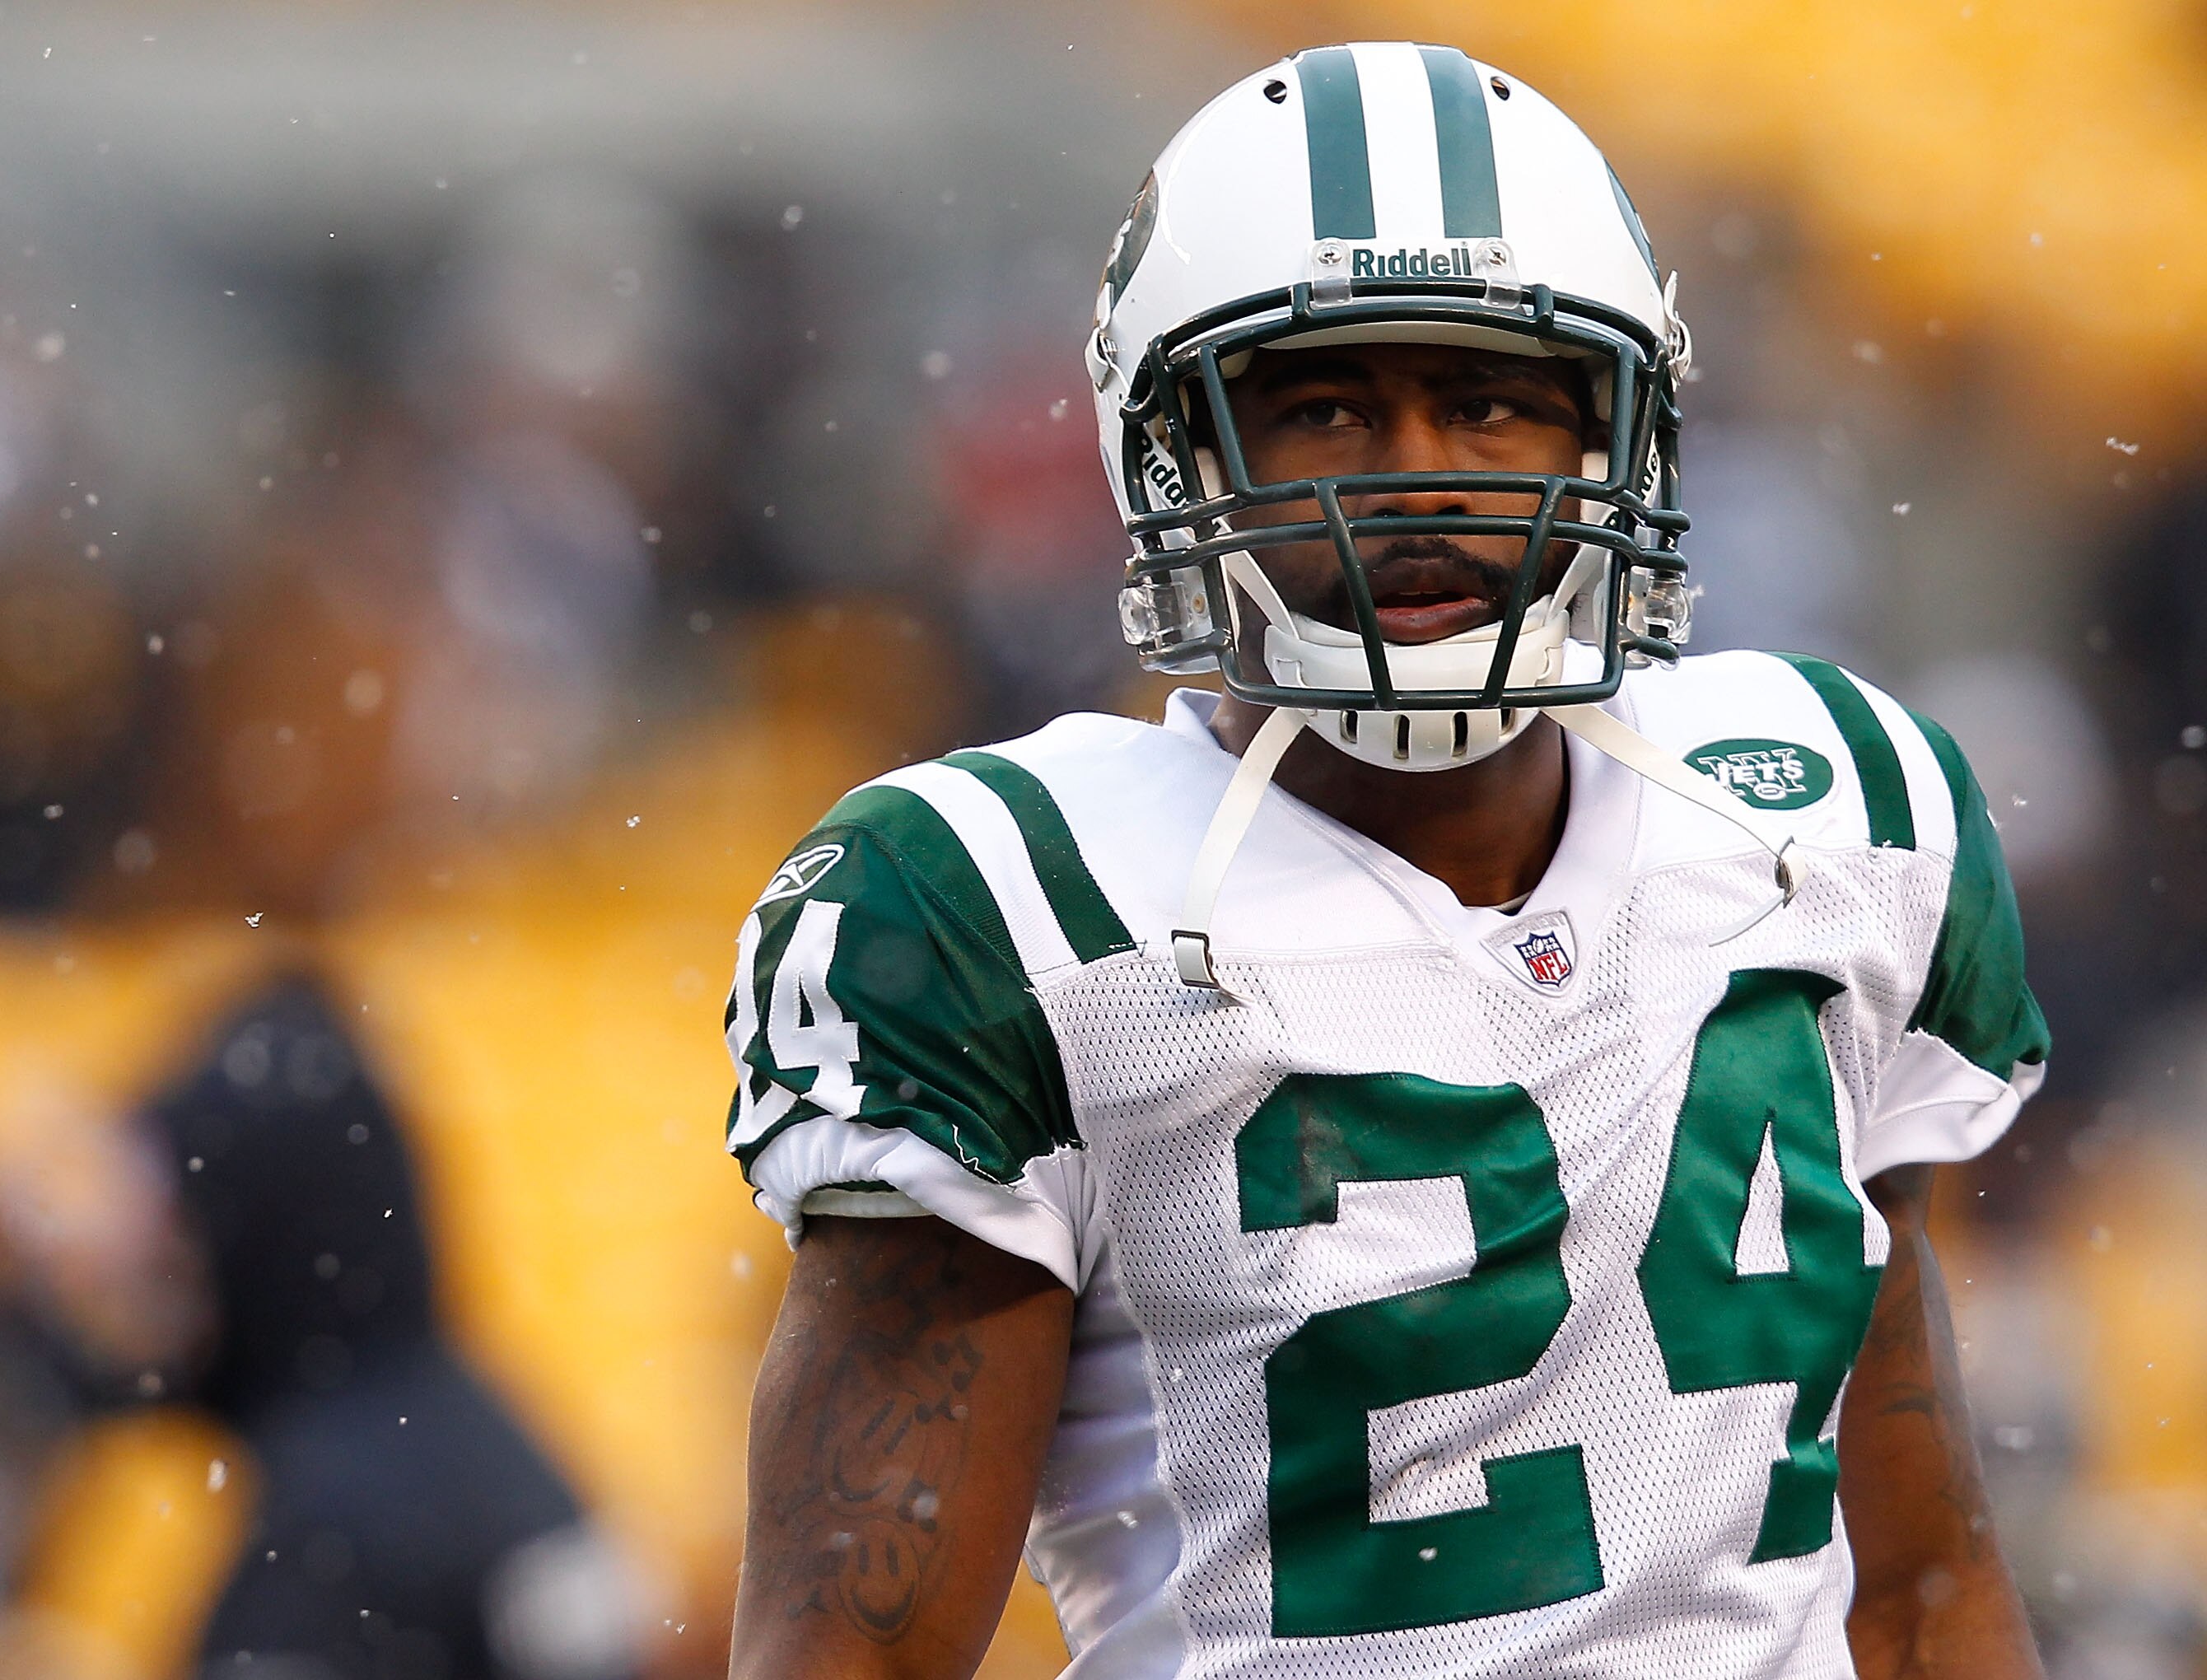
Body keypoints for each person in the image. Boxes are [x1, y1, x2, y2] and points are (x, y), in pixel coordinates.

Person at [722, 42, 2047, 1680]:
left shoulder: (1831, 815)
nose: (1418, 478)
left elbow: (1918, 1594)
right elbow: (850, 1655)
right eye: (1323, 405)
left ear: (1618, 434)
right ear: (1177, 456)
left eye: (1489, 400)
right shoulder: (1000, 904)